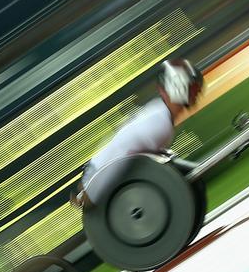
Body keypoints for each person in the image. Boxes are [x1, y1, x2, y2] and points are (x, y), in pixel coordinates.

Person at [70, 58, 204, 208]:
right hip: (97, 182)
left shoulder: (160, 113)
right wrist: (90, 192)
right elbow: (119, 154)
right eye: (194, 88)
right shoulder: (159, 124)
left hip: (95, 177)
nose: (199, 92)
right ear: (180, 87)